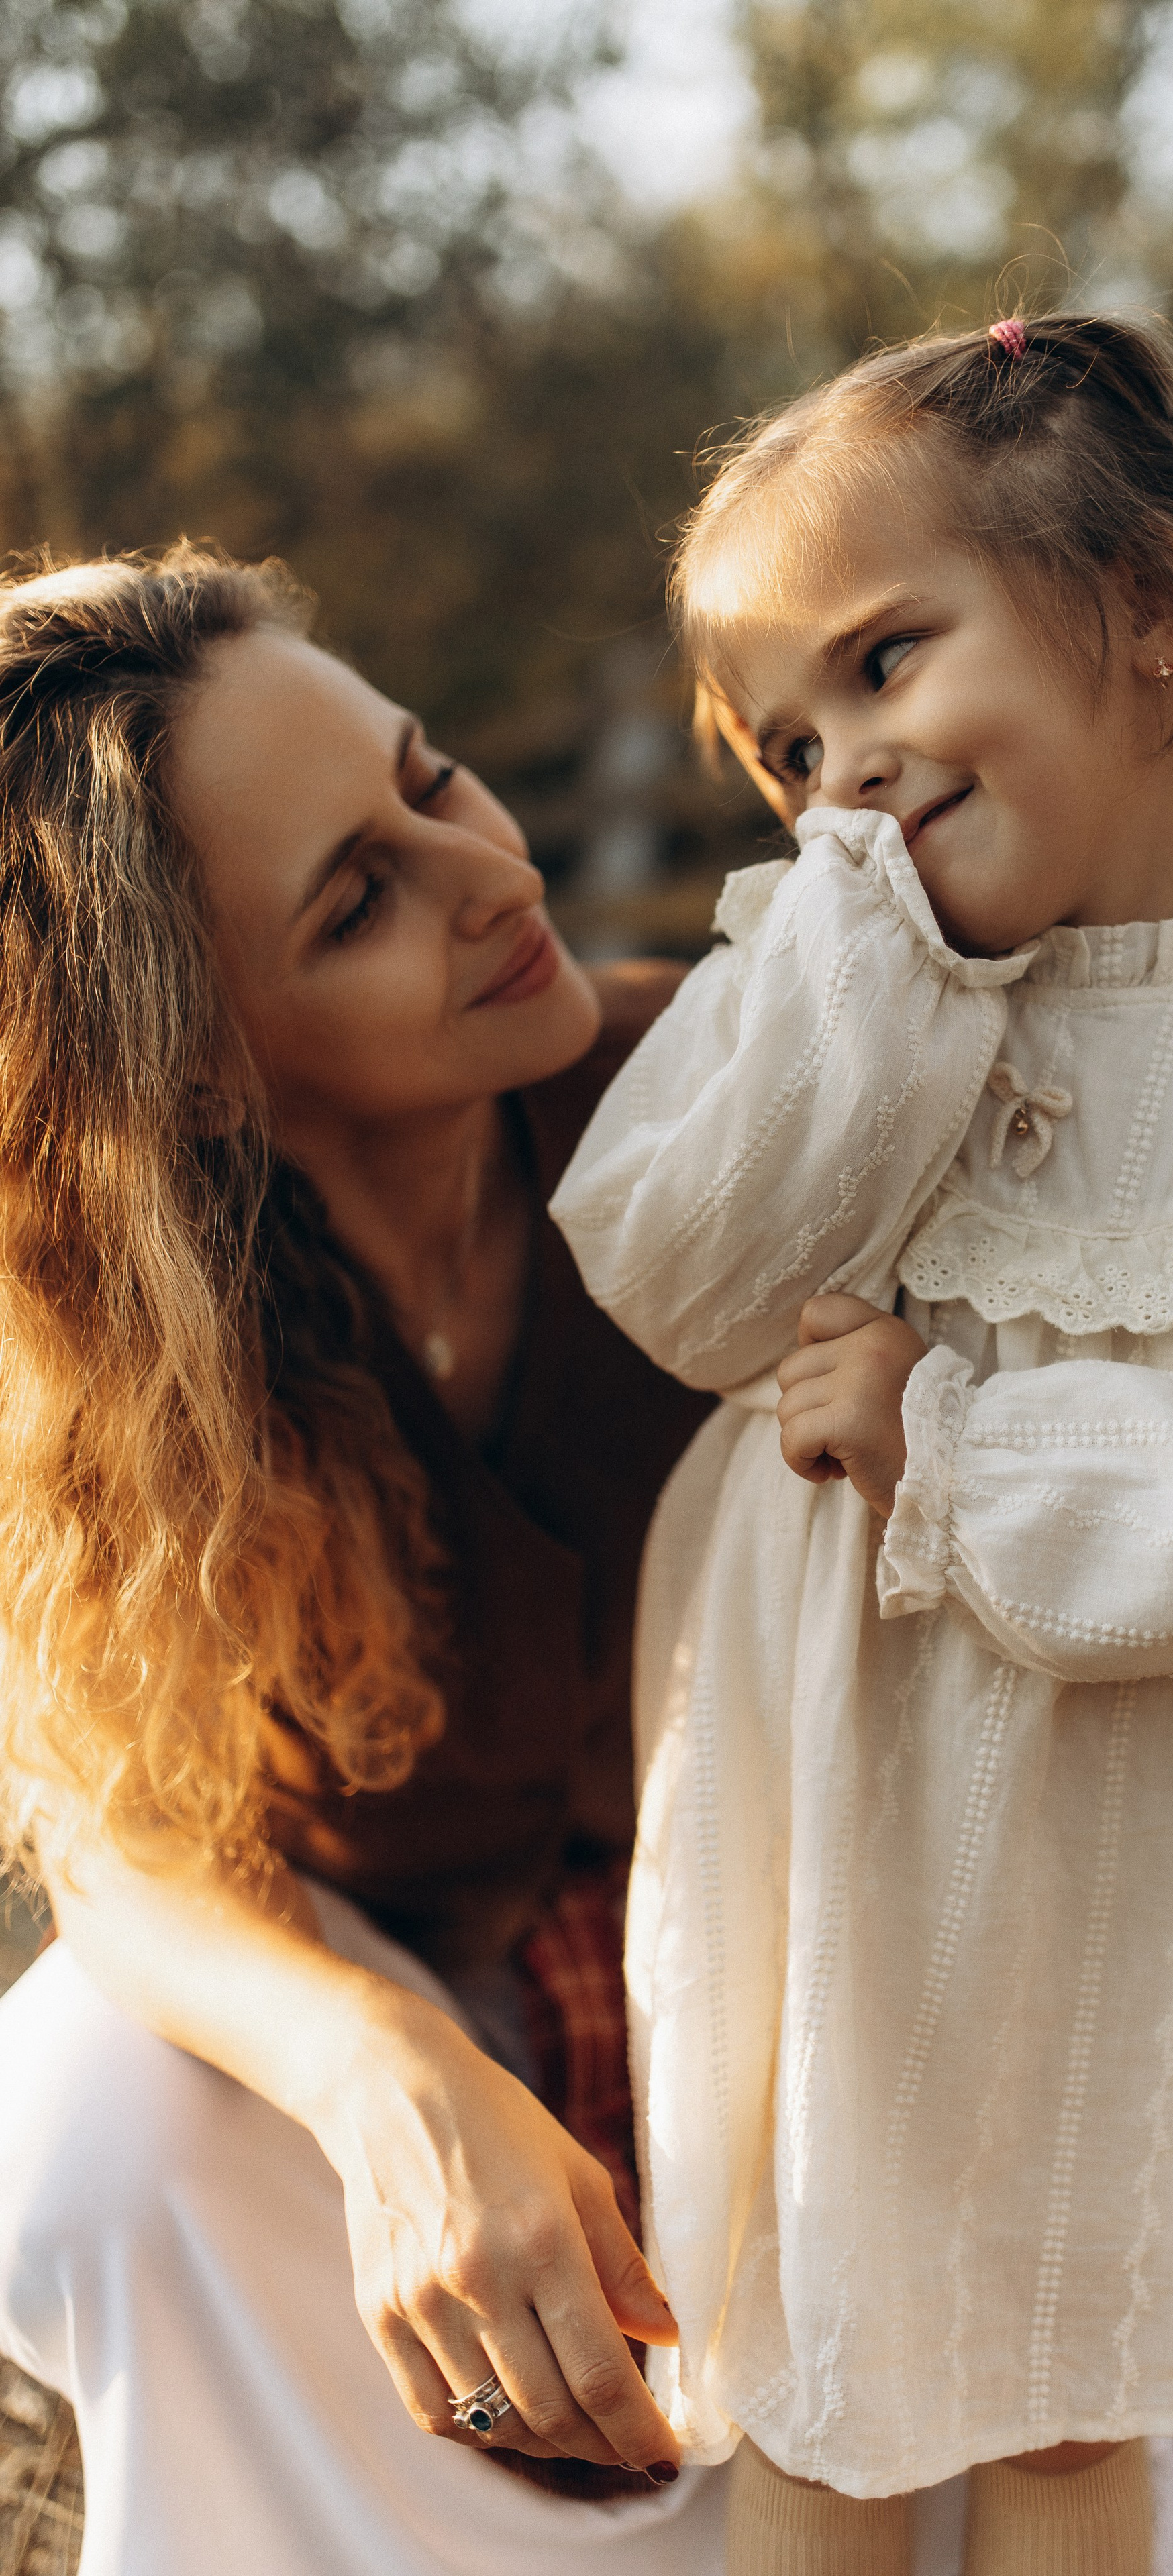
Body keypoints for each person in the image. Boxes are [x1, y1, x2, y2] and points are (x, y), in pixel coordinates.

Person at [553, 314, 1173, 2576]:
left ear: (1147, 621)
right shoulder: (799, 986)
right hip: (825, 1807)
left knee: (1068, 2390)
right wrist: (874, 979)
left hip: (1126, 1843)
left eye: (893, 663)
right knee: (821, 2370)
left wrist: (962, 1437)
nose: (849, 771)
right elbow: (677, 1282)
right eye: (790, 739)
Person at [0, 547, 728, 2576]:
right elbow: (108, 1826)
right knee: (82, 2124)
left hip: (810, 1967)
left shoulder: (749, 1109)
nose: (482, 874)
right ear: (206, 1063)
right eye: (356, 898)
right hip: (443, 2000)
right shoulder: (110, 1353)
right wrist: (383, 2068)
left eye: (434, 780)